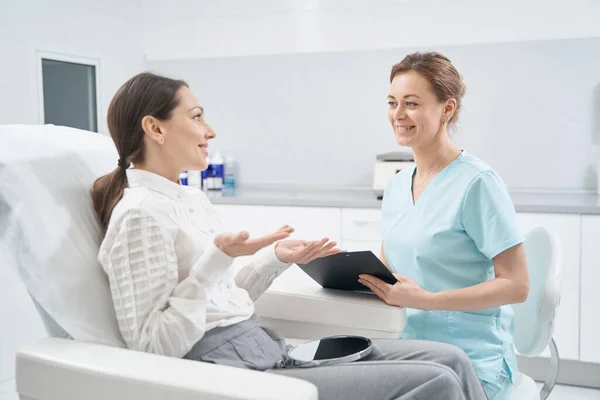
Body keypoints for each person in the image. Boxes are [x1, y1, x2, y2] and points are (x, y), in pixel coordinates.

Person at [92, 71, 487, 400]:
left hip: (264, 350)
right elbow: (152, 348)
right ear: (155, 128)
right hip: (227, 374)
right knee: (438, 382)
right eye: (196, 117)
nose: (209, 130)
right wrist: (216, 260)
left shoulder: (191, 201)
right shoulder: (139, 216)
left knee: (450, 359)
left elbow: (225, 304)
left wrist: (275, 257)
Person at [357, 52, 530, 400]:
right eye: (392, 102)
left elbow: (517, 285)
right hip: (409, 348)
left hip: (469, 360)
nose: (398, 114)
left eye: (412, 103)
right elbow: (389, 269)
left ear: (447, 109)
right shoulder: (396, 185)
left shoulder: (477, 183)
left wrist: (429, 300)